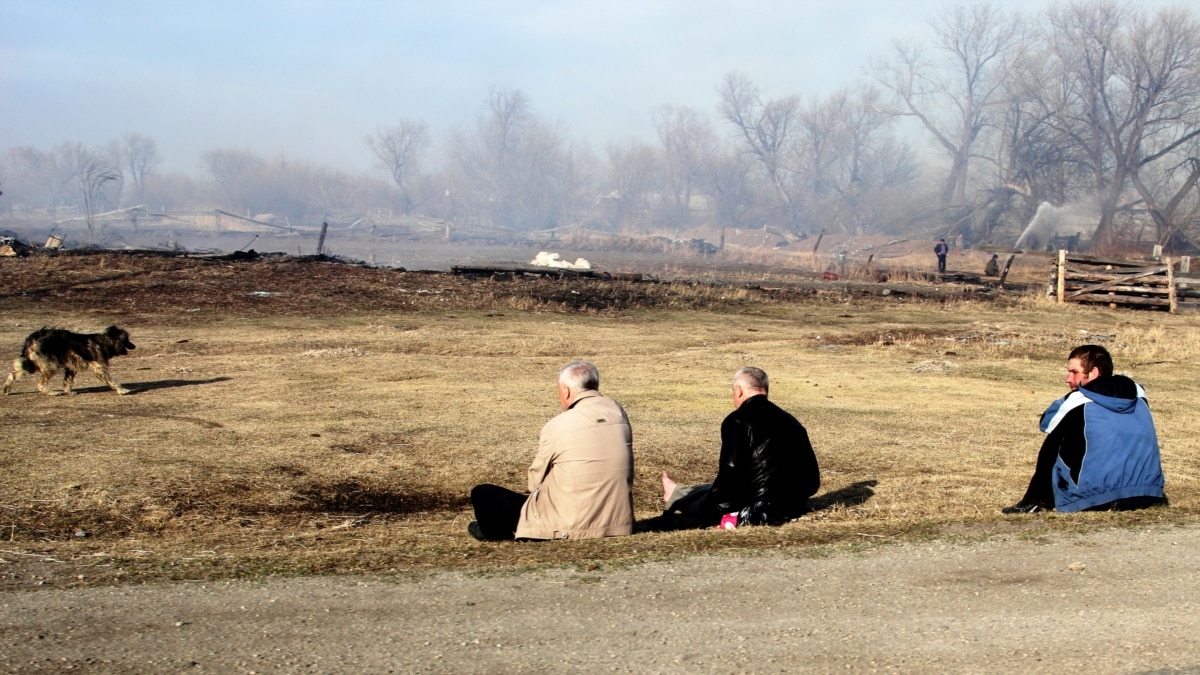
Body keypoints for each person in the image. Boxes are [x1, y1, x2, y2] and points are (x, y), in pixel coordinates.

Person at [468, 361, 634, 540]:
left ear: (566, 390)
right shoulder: (619, 414)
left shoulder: (558, 425)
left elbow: (534, 483)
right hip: (619, 524)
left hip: (567, 525)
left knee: (482, 493)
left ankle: (497, 534)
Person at [1003, 345, 1167, 514]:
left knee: (1056, 439)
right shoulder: (1138, 393)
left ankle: (1036, 500)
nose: (1068, 379)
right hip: (1148, 493)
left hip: (1096, 498)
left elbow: (1046, 424)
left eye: (1074, 372)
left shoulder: (1078, 399)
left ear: (1094, 373)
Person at [660, 367, 820, 528]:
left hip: (757, 508)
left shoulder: (737, 421)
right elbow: (812, 481)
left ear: (738, 391)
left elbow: (730, 474)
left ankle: (675, 495)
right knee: (707, 490)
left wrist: (711, 508)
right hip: (795, 505)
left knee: (704, 500)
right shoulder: (792, 422)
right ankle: (676, 491)